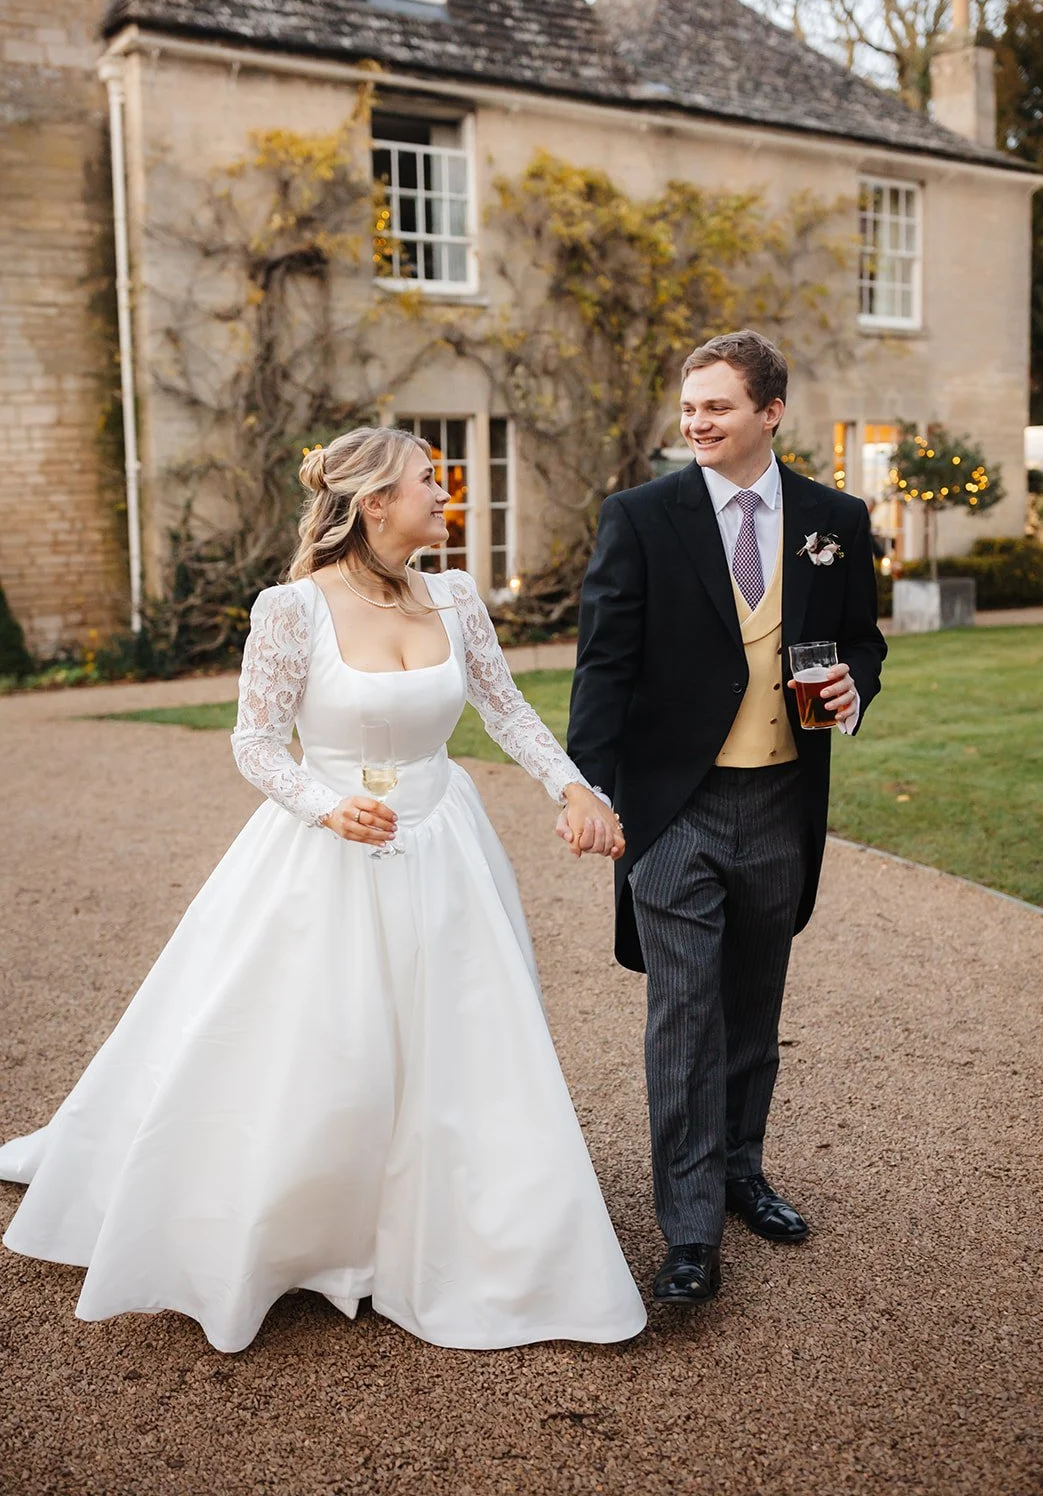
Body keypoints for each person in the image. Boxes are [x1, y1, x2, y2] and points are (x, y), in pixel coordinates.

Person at [0, 427, 646, 1353]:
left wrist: (573, 787)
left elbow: (504, 707)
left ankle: (472, 1232)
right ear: (374, 503)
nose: (443, 492)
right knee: (323, 1041)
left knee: (461, 1039)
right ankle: (303, 1229)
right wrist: (323, 804)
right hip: (327, 849)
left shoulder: (456, 597)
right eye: (427, 480)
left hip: (445, 845)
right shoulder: (292, 609)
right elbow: (256, 742)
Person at [565, 331, 887, 1306]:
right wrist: (586, 785)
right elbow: (603, 663)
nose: (696, 422)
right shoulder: (640, 516)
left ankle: (742, 1171)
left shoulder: (834, 518)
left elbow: (862, 642)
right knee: (683, 1015)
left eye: (716, 406)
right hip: (675, 808)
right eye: (689, 406)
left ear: (769, 413)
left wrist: (852, 686)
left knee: (752, 1008)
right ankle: (689, 1229)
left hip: (782, 801)